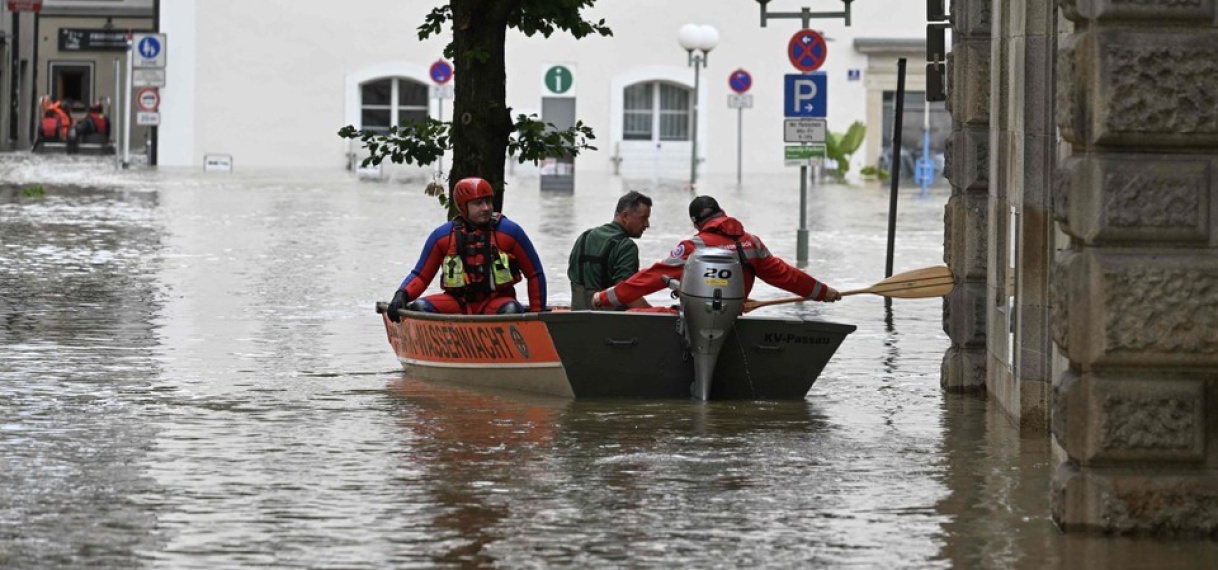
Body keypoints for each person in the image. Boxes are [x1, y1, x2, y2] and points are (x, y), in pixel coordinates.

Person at [591, 195, 841, 310]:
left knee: (661, 313)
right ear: (722, 212)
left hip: (698, 320)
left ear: (696, 223)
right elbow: (786, 275)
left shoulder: (692, 247)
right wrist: (822, 291)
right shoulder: (752, 244)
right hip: (733, 315)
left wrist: (605, 297)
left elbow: (651, 277)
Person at [385, 177, 546, 319]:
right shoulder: (442, 237)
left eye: (488, 201)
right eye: (478, 203)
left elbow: (534, 274)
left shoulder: (510, 232)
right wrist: (402, 294)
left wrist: (537, 316)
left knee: (511, 309)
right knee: (420, 307)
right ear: (463, 207)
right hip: (457, 303)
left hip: (496, 303)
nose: (486, 208)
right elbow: (421, 276)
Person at [567, 190, 653, 310]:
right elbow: (627, 294)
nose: (647, 224)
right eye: (643, 218)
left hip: (577, 322)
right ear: (625, 216)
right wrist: (658, 314)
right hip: (610, 324)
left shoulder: (584, 237)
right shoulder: (626, 247)